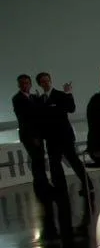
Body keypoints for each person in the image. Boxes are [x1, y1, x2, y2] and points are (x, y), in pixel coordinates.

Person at [35, 72, 90, 201]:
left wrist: (68, 93)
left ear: (50, 81)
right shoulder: (41, 99)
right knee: (55, 164)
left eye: (47, 80)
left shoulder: (60, 95)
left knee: (73, 161)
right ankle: (60, 188)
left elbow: (71, 108)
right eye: (43, 81)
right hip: (51, 138)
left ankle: (87, 184)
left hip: (64, 136)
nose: (46, 83)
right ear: (40, 84)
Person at [12, 75, 56, 228]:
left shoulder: (32, 97)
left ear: (30, 84)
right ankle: (42, 186)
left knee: (39, 160)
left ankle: (41, 185)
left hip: (37, 134)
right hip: (29, 135)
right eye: (22, 83)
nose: (25, 85)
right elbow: (26, 118)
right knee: (37, 159)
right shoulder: (18, 99)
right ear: (19, 85)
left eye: (27, 82)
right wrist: (34, 136)